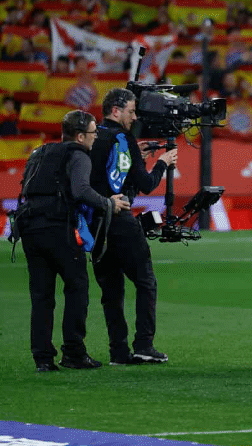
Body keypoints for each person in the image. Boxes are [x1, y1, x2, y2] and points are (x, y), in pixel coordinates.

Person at [19, 110, 129, 372]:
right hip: (59, 229)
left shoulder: (41, 152)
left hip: (29, 228)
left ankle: (43, 358)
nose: (95, 138)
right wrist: (107, 203)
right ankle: (74, 352)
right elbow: (80, 190)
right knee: (77, 287)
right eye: (93, 133)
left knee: (42, 296)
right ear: (80, 136)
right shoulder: (78, 155)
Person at [89, 88, 178, 366]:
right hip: (120, 219)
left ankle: (118, 351)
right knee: (145, 281)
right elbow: (147, 184)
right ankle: (143, 345)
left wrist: (133, 156)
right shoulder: (123, 138)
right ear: (116, 111)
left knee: (111, 291)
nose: (134, 116)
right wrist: (162, 163)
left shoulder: (94, 137)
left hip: (95, 222)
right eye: (130, 111)